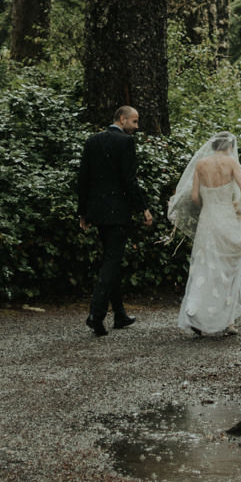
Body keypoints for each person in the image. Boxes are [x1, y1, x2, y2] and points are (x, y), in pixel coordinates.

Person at [76, 104, 153, 337]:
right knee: (111, 262)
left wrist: (83, 212)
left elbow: (83, 178)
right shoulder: (126, 143)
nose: (137, 127)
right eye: (134, 122)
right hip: (117, 212)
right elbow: (130, 180)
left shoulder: (92, 141)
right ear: (121, 119)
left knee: (111, 260)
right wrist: (144, 208)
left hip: (98, 212)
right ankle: (96, 315)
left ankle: (119, 314)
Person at [168, 132, 241, 337]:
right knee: (229, 268)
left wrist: (208, 204)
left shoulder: (201, 164)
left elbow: (195, 196)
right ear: (230, 147)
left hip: (208, 221)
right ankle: (229, 321)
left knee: (204, 267)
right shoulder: (231, 163)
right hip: (227, 220)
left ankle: (196, 315)